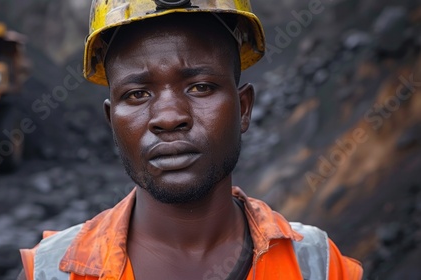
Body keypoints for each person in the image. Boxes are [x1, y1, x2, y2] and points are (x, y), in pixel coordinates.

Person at [18, 0, 363, 279]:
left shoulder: (317, 265)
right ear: (112, 121)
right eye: (137, 94)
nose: (169, 117)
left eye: (200, 87)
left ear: (243, 108)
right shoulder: (53, 271)